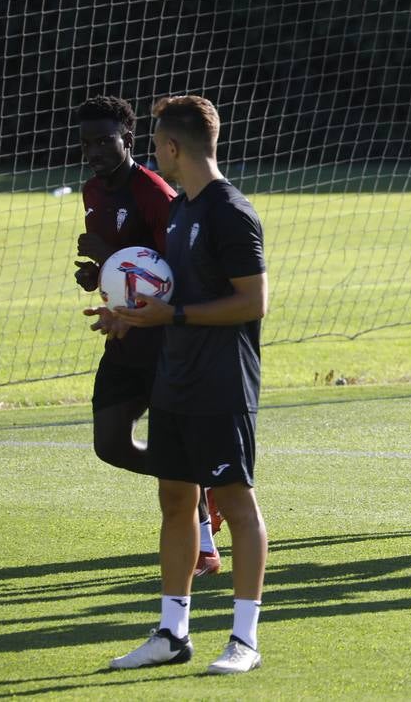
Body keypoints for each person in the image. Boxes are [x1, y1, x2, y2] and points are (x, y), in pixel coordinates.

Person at [90, 95, 270, 675]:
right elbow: (173, 293)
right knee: (175, 501)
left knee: (238, 507)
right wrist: (131, 314)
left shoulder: (229, 211)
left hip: (222, 383)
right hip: (176, 378)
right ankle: (172, 631)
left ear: (172, 147)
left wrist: (174, 318)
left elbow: (252, 302)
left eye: (157, 146)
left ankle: (244, 639)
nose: (155, 156)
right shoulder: (185, 210)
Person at [75, 95, 223, 578]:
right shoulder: (92, 192)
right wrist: (98, 272)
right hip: (122, 337)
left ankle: (202, 542)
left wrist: (110, 251)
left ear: (128, 140)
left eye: (104, 141)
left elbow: (174, 267)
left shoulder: (155, 192)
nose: (95, 151)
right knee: (109, 444)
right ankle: (204, 482)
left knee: (171, 448)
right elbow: (126, 269)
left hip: (162, 341)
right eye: (88, 143)